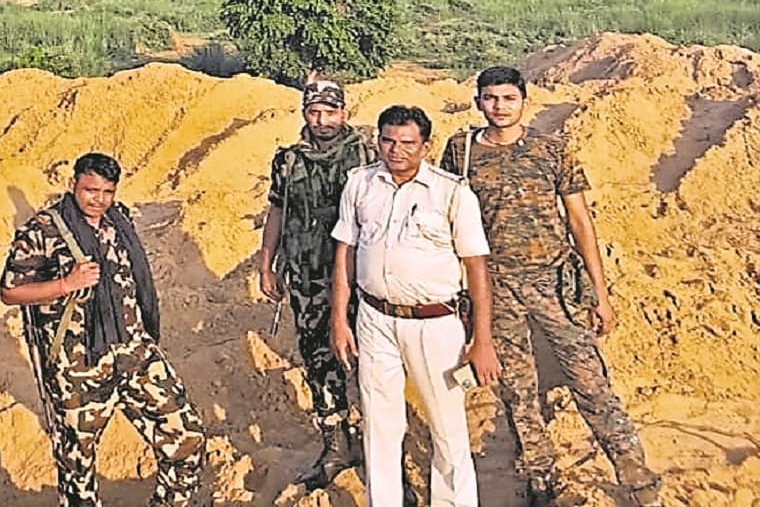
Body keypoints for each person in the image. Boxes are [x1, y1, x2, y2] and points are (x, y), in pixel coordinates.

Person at [438, 66, 661, 507]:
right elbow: (446, 219)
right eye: (490, 98)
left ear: (524, 100)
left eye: (508, 98)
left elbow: (580, 221)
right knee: (518, 390)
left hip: (554, 283)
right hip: (494, 286)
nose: (499, 106)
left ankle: (636, 480)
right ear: (478, 101)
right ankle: (539, 478)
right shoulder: (460, 153)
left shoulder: (551, 149)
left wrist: (600, 292)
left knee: (590, 382)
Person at [0, 153, 205, 507]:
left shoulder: (118, 219)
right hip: (78, 367)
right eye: (90, 190)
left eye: (106, 192)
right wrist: (65, 284)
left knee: (187, 438)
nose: (98, 199)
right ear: (73, 185)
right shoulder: (44, 230)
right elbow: (9, 291)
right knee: (77, 470)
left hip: (135, 353)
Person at [331, 105, 501, 507]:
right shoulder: (360, 184)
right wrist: (340, 319)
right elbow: (345, 254)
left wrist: (482, 339)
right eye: (388, 140)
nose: (396, 150)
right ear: (378, 140)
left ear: (425, 146)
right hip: (374, 319)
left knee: (447, 428)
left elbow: (476, 268)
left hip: (435, 323)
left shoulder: (452, 192)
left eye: (408, 143)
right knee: (379, 424)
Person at [257, 76, 373, 487]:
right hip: (307, 277)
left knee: (369, 362)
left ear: (344, 112)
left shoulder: (367, 154)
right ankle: (335, 446)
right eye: (314, 111)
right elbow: (276, 211)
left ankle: (380, 448)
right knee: (318, 361)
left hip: (360, 278)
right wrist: (266, 262)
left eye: (330, 111)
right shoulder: (288, 160)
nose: (322, 120)